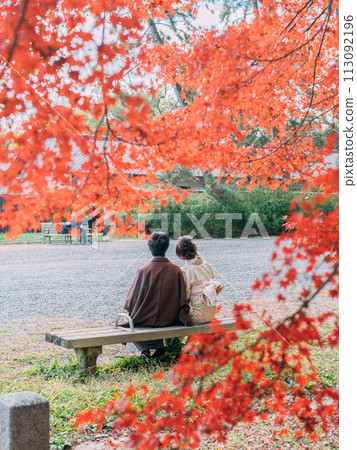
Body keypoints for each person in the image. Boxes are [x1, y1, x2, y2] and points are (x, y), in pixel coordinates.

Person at [124, 232, 190, 358]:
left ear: (149, 249)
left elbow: (130, 302)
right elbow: (182, 299)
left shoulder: (143, 270)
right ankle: (159, 349)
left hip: (145, 321)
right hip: (169, 320)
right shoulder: (176, 270)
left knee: (128, 321)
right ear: (166, 248)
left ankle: (146, 350)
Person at [175, 235, 224, 324]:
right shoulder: (206, 265)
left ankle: (177, 338)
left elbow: (184, 296)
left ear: (180, 252)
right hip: (211, 312)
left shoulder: (185, 270)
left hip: (197, 315)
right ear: (195, 249)